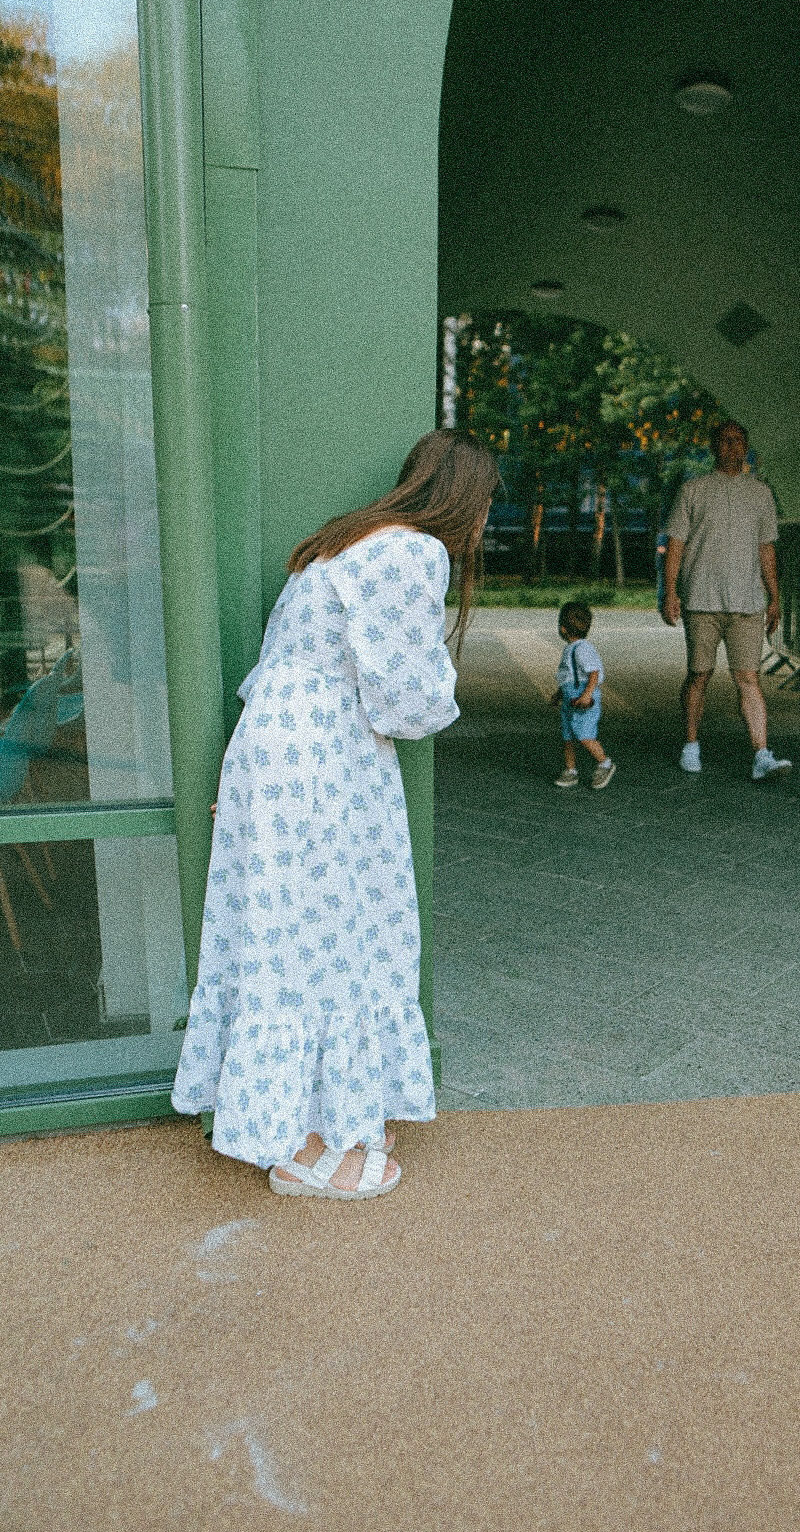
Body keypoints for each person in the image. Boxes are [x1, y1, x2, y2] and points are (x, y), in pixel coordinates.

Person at [171, 429, 501, 1200]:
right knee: (333, 940)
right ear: (465, 499)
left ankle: (315, 1117)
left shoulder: (339, 544)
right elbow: (408, 701)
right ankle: (305, 1149)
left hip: (276, 748)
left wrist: (248, 783)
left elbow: (276, 667)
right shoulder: (413, 552)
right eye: (486, 504)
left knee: (289, 936)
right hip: (325, 757)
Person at [661, 419, 792, 780]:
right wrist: (670, 593)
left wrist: (774, 596)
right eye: (725, 440)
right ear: (713, 447)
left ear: (746, 447)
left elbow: (767, 550)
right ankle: (690, 744)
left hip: (747, 602)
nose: (733, 446)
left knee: (748, 678)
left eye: (738, 440)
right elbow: (675, 546)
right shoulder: (693, 490)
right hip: (701, 599)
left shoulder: (761, 493)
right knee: (699, 674)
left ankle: (762, 755)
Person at [549, 600, 615, 790]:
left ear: (562, 628)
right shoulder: (572, 648)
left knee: (584, 734)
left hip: (583, 699)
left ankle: (605, 763)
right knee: (568, 736)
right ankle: (570, 770)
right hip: (570, 699)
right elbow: (569, 676)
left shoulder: (582, 649)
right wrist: (559, 694)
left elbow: (594, 672)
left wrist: (587, 694)